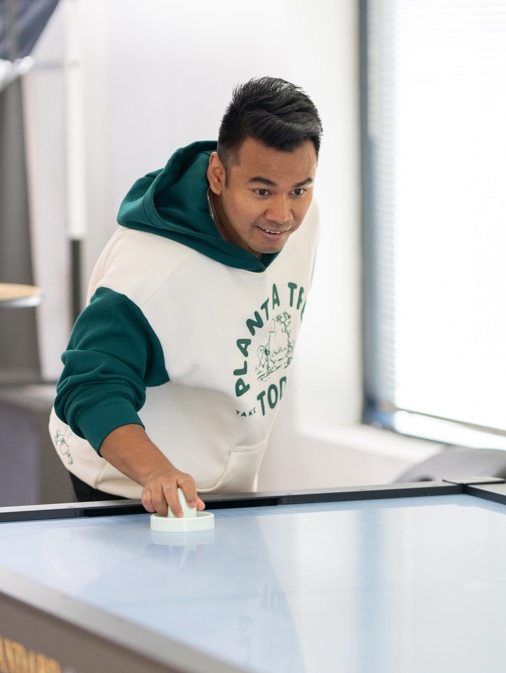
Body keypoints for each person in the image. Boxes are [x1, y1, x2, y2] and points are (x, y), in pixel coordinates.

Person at [50, 76, 323, 518]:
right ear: (218, 175)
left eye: (299, 190)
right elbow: (89, 386)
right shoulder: (150, 273)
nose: (282, 214)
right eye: (261, 191)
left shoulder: (299, 220)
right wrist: (157, 472)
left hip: (227, 481)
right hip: (131, 484)